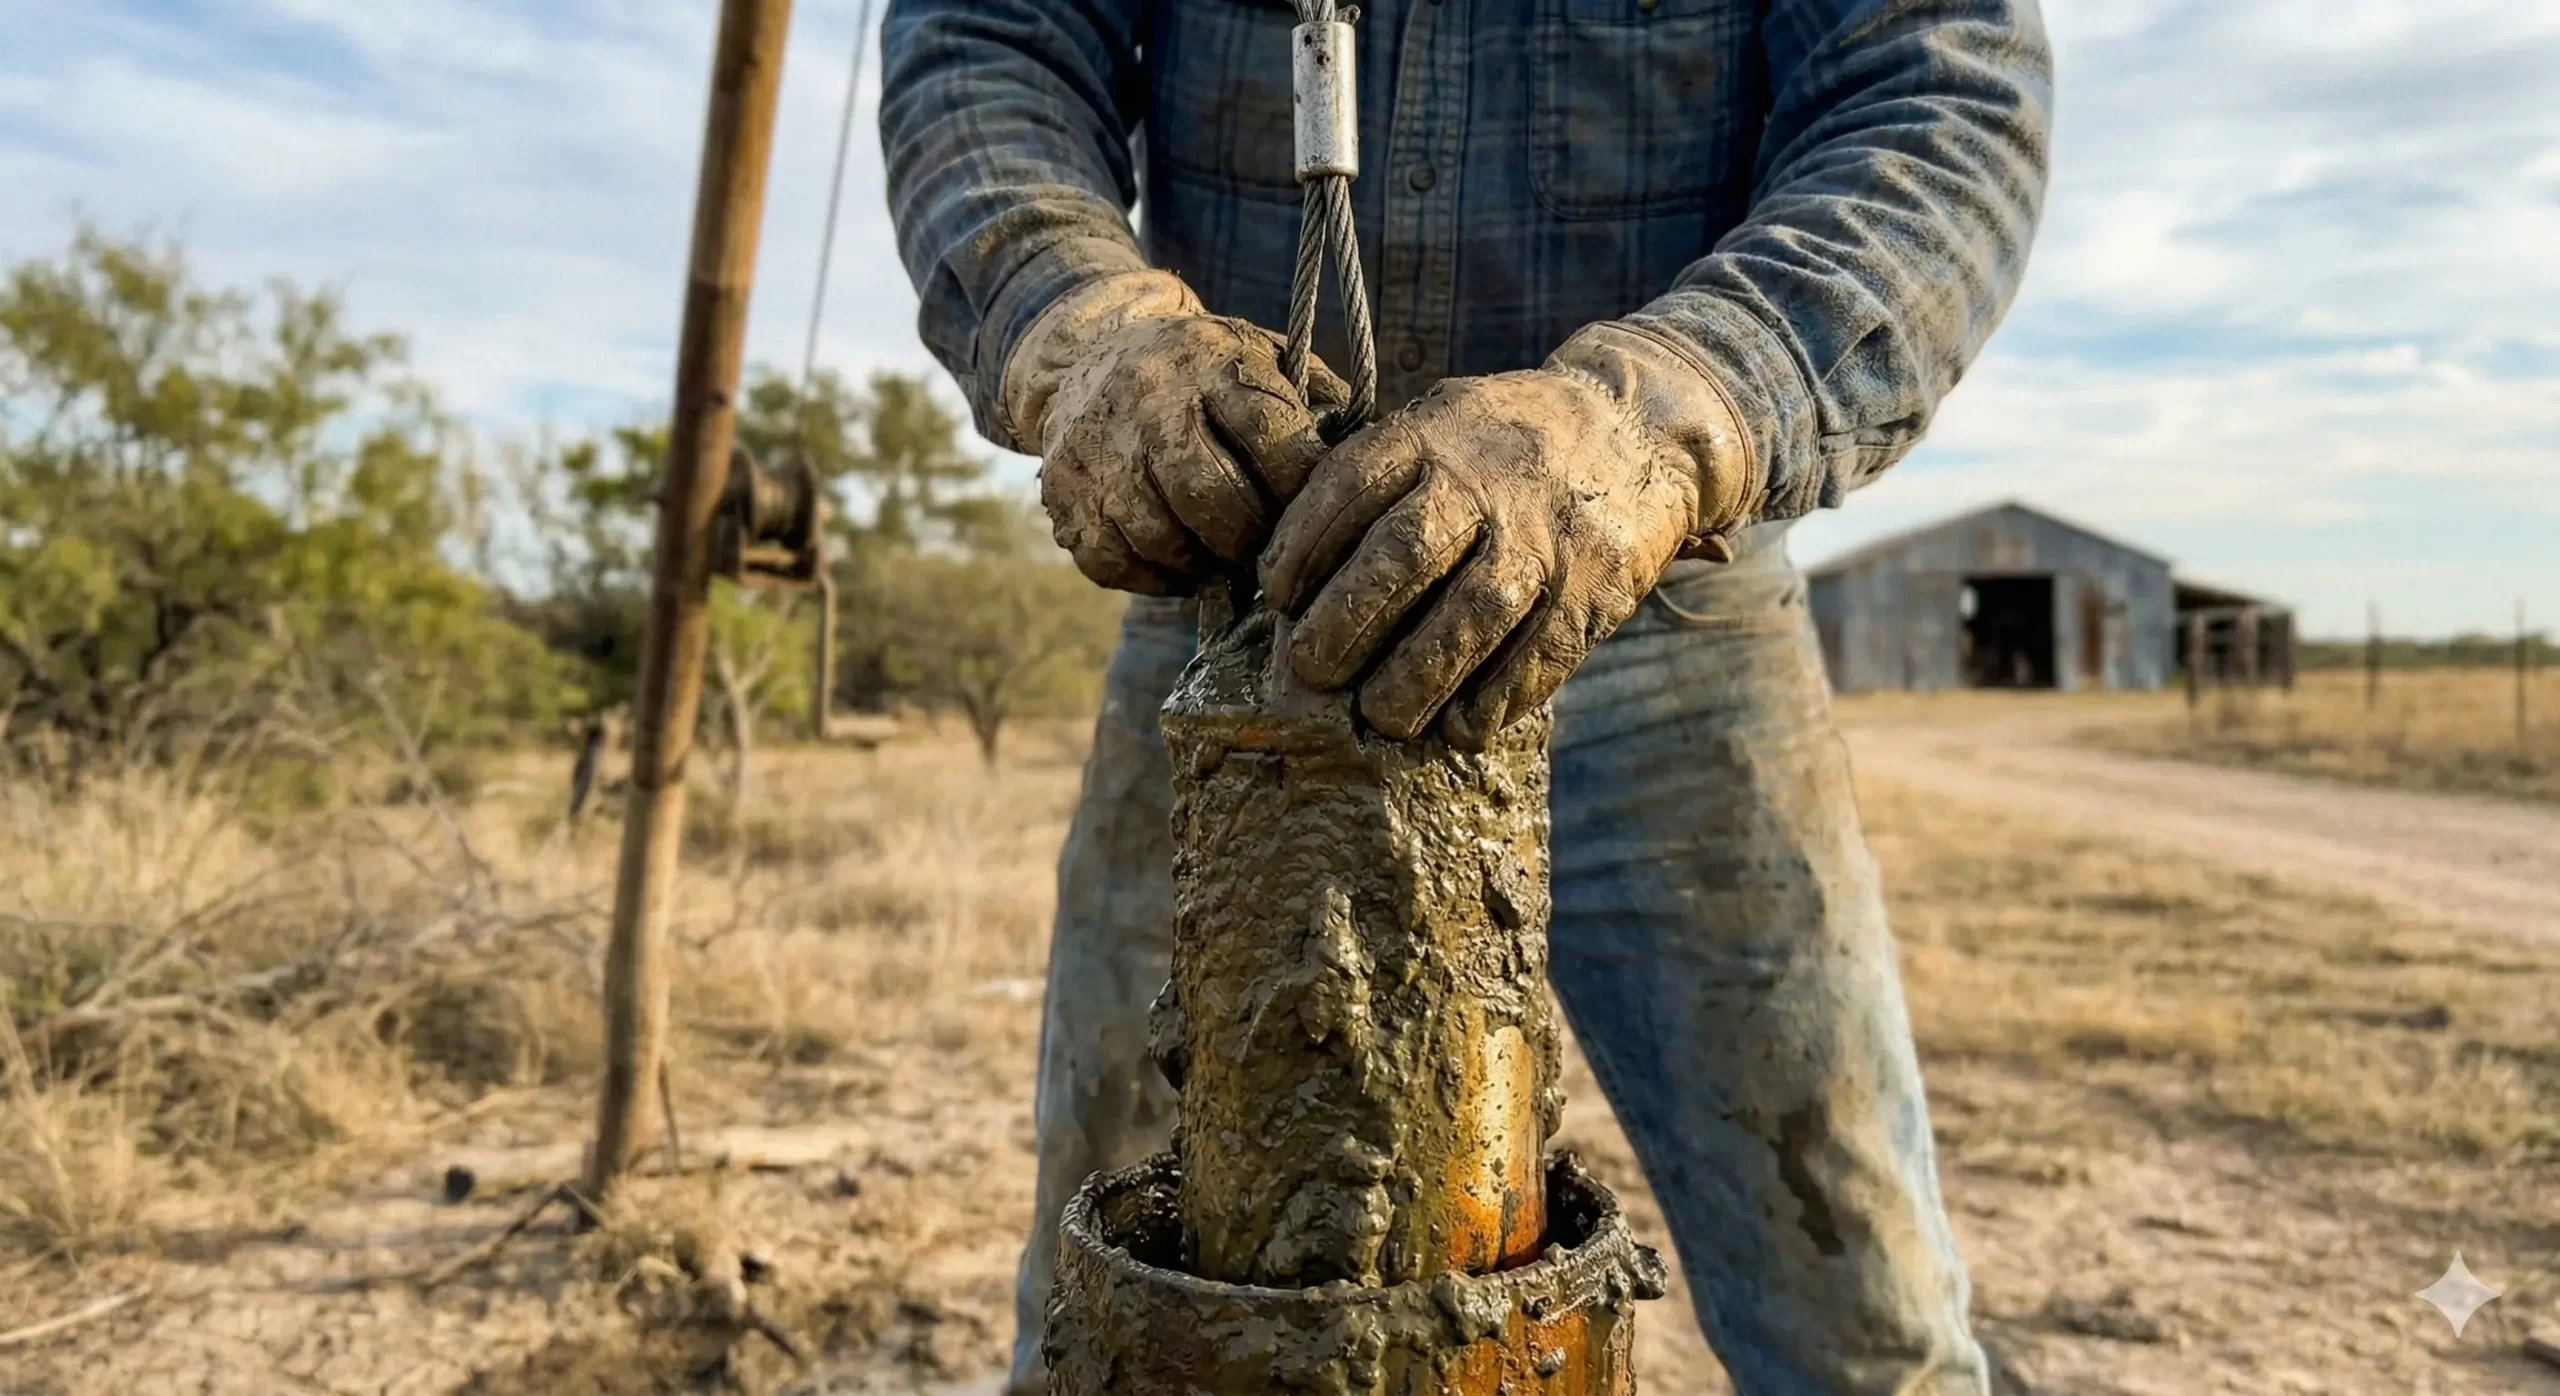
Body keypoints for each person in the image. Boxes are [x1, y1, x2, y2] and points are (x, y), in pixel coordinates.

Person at [881, 1, 2050, 1390]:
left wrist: (1664, 417)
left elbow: (1934, 97)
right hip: (1237, 612)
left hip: (1662, 601)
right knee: (1130, 1309)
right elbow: (986, 41)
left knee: (1856, 1321)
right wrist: (1075, 323)